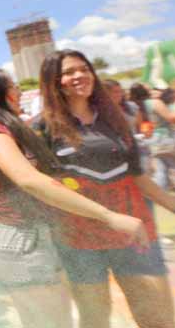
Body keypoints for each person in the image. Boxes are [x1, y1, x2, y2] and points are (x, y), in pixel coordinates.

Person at [0, 67, 148, 328]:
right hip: (22, 236)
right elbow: (28, 180)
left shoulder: (7, 128)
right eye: (12, 86)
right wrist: (108, 216)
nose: (17, 91)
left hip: (33, 233)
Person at [37, 49, 175, 328]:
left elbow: (137, 175)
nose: (79, 76)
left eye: (84, 69)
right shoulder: (42, 128)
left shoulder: (116, 118)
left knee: (158, 316)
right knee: (95, 318)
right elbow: (44, 186)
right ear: (54, 81)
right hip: (78, 237)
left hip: (133, 231)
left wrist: (172, 205)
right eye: (69, 72)